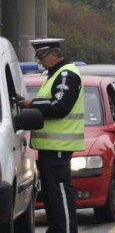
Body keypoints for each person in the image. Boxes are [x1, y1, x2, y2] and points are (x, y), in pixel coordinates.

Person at [19, 38, 84, 233]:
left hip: (59, 147)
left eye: (41, 56)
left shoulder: (66, 74)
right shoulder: (56, 74)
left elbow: (60, 106)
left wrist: (33, 105)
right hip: (51, 147)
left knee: (61, 192)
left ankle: (65, 230)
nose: (40, 61)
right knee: (51, 193)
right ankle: (57, 228)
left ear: (54, 54)